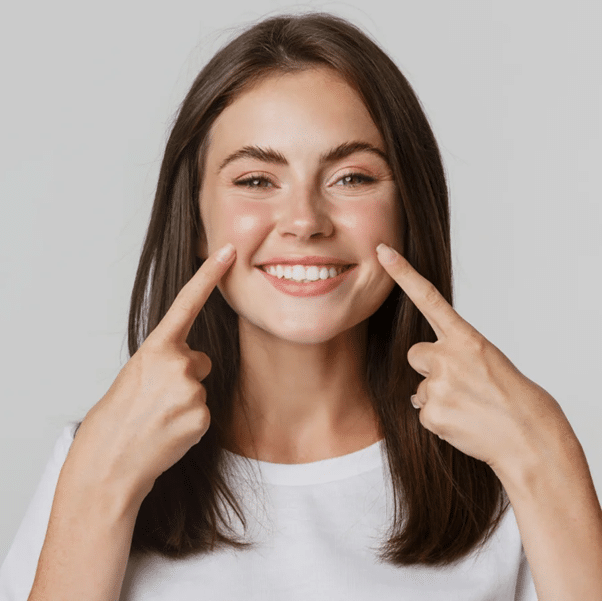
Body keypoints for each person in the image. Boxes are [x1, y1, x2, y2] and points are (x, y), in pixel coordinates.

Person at [1, 11, 601, 601]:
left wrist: (547, 459)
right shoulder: (94, 458)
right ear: (197, 220)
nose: (306, 222)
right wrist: (99, 490)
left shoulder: (510, 466)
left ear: (408, 208)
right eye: (257, 180)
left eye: (352, 177)